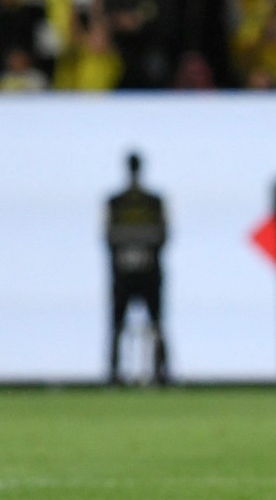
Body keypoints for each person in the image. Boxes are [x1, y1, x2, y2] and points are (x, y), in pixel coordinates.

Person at [106, 152, 168, 386]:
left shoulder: (118, 202)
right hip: (146, 272)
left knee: (124, 325)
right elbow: (162, 234)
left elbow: (110, 236)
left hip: (127, 272)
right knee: (152, 324)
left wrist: (128, 246)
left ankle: (116, 374)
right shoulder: (151, 201)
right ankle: (159, 373)